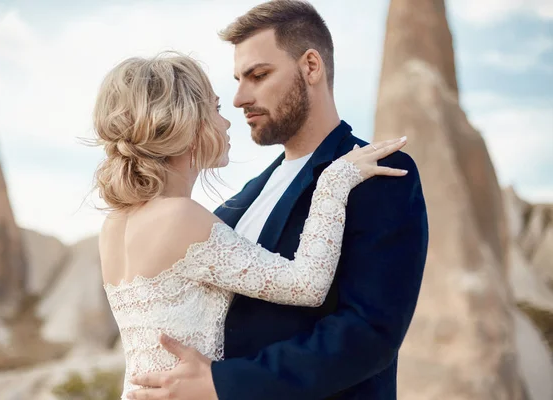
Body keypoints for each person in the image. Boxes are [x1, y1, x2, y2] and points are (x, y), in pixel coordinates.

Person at [127, 1, 429, 400]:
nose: (238, 98)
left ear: (311, 67)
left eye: (258, 75)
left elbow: (368, 333)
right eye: (237, 79)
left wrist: (224, 384)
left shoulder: (379, 176)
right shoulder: (239, 201)